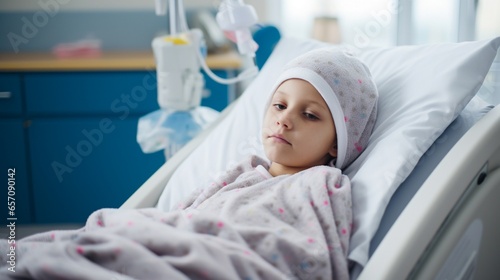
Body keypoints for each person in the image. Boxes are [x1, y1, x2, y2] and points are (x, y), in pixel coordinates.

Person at [0, 48, 378, 280]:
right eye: (279, 105)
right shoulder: (241, 170)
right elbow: (183, 214)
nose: (284, 120)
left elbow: (315, 256)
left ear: (337, 144)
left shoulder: (323, 184)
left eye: (310, 115)